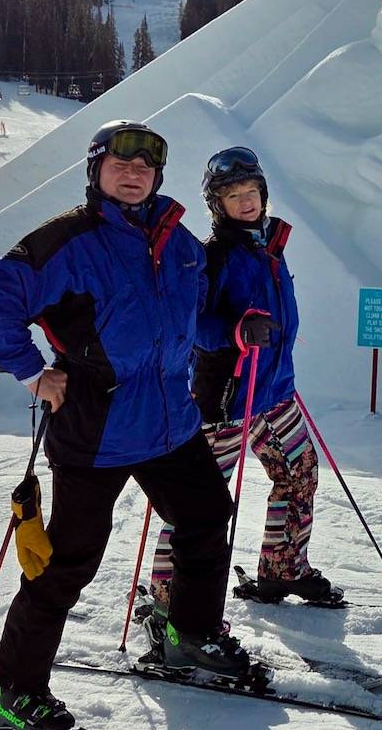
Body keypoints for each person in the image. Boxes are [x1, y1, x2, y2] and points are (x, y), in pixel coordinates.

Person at [0, 120, 251, 730]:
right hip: (97, 430)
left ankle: (188, 634)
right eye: (120, 164)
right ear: (95, 171)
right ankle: (10, 692)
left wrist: (233, 331)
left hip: (170, 424)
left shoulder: (180, 243)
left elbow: (191, 320)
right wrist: (32, 373)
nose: (134, 174)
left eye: (145, 166)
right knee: (67, 564)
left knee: (206, 517)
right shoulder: (67, 241)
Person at [144, 145, 341, 628]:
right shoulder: (214, 256)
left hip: (273, 392)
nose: (246, 201)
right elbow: (192, 323)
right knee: (197, 503)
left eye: (251, 191)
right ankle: (168, 598)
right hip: (225, 399)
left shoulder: (269, 247)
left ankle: (282, 570)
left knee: (299, 474)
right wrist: (235, 331)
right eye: (233, 196)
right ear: (219, 205)